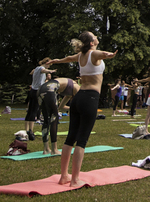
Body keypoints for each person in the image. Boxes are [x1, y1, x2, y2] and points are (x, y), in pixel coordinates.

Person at [47, 31, 117, 187]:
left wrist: (56, 61)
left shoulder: (80, 56)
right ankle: (75, 180)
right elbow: (102, 54)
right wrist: (109, 54)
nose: (97, 37)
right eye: (95, 37)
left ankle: (64, 176)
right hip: (90, 98)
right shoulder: (93, 54)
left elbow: (67, 59)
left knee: (70, 138)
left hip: (77, 98)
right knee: (82, 140)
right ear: (91, 43)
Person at [38, 77, 80, 154]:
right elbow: (79, 106)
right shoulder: (77, 88)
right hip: (50, 89)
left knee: (46, 120)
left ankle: (46, 149)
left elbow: (61, 107)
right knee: (54, 119)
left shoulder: (69, 89)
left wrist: (72, 108)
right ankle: (54, 150)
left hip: (41, 89)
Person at [27, 58, 56, 140]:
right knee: (34, 111)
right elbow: (43, 70)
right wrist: (51, 71)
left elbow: (31, 72)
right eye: (49, 65)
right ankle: (31, 132)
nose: (48, 67)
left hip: (32, 90)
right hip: (37, 91)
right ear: (46, 63)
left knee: (31, 111)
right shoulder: (41, 68)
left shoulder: (36, 68)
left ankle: (29, 130)